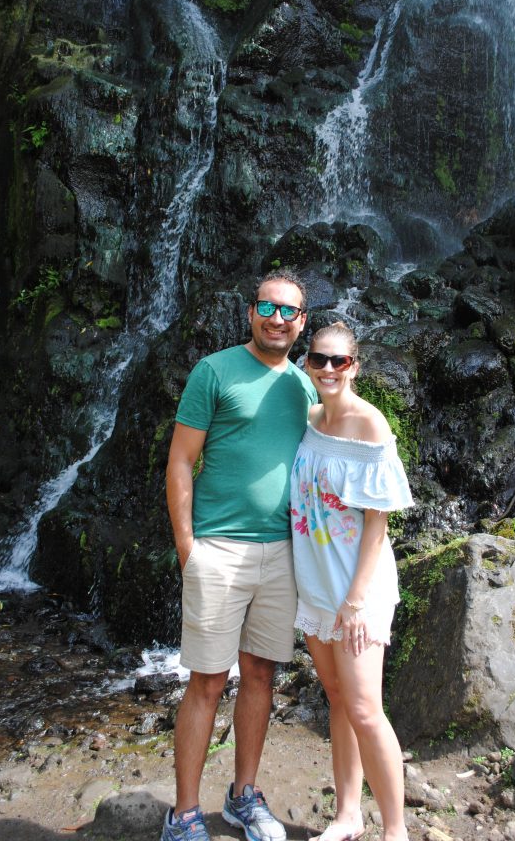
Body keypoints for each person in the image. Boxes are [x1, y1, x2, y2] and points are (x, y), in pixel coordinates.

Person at [162, 270, 317, 841]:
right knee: (207, 680)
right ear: (251, 311)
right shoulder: (215, 371)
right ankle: (182, 815)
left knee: (260, 674)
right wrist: (188, 549)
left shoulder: (304, 386)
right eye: (268, 306)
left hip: (281, 553)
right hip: (218, 549)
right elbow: (181, 461)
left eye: (290, 311)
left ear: (302, 322)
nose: (277, 318)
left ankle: (242, 798)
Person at [290, 321, 413, 841]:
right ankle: (346, 815)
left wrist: (357, 601)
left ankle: (396, 829)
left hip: (358, 592)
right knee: (338, 699)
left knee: (364, 708)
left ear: (355, 366)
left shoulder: (370, 426)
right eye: (320, 359)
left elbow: (376, 523)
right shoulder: (312, 418)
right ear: (308, 362)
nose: (328, 369)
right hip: (317, 586)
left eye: (340, 361)